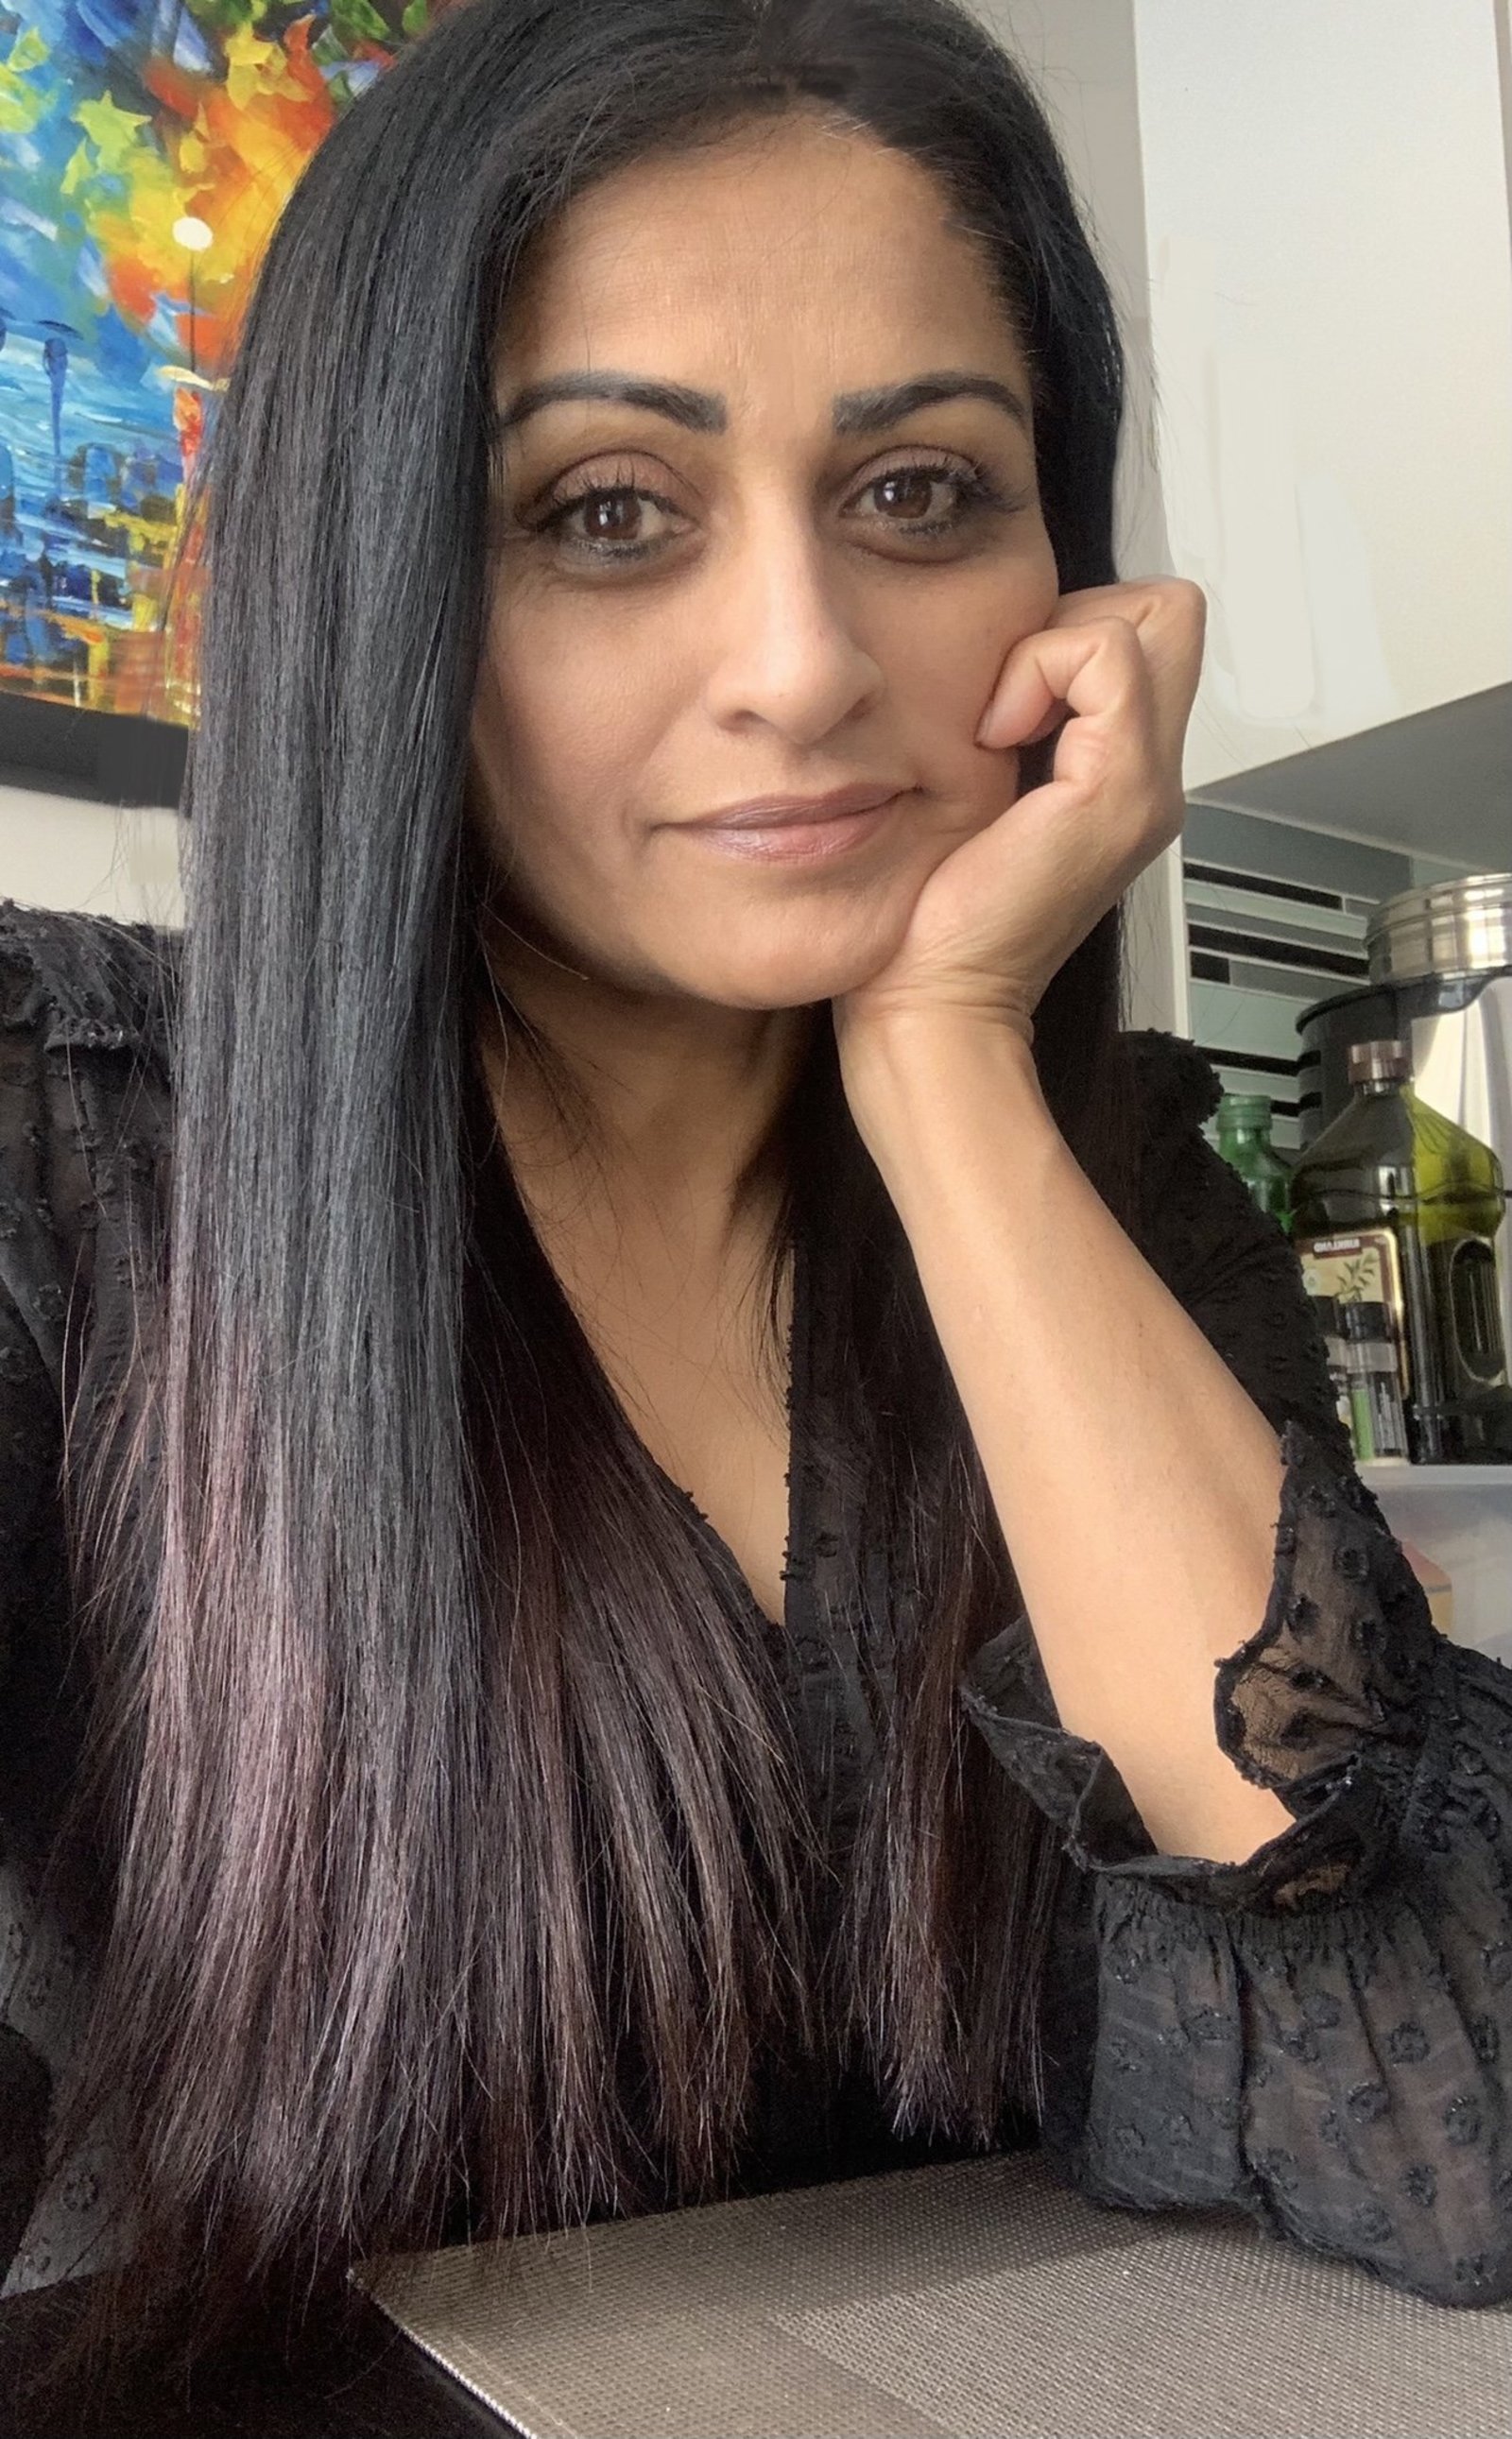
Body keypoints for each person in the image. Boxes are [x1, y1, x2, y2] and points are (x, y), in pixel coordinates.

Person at [1, 0, 1508, 2389]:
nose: (799, 668)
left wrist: (947, 1067)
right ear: (378, 583)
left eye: (917, 492)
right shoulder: (63, 1157)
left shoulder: (1116, 1193)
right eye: (604, 513)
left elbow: (1439, 2126)